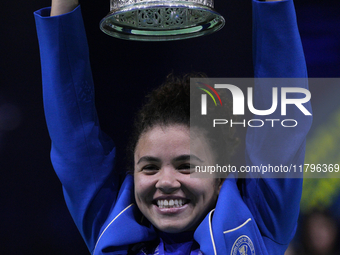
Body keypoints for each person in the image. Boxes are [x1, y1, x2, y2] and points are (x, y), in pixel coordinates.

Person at [34, 0, 312, 254]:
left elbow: (282, 119)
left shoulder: (259, 225)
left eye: (186, 165)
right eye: (150, 167)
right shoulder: (112, 230)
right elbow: (73, 139)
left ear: (219, 179)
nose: (165, 182)